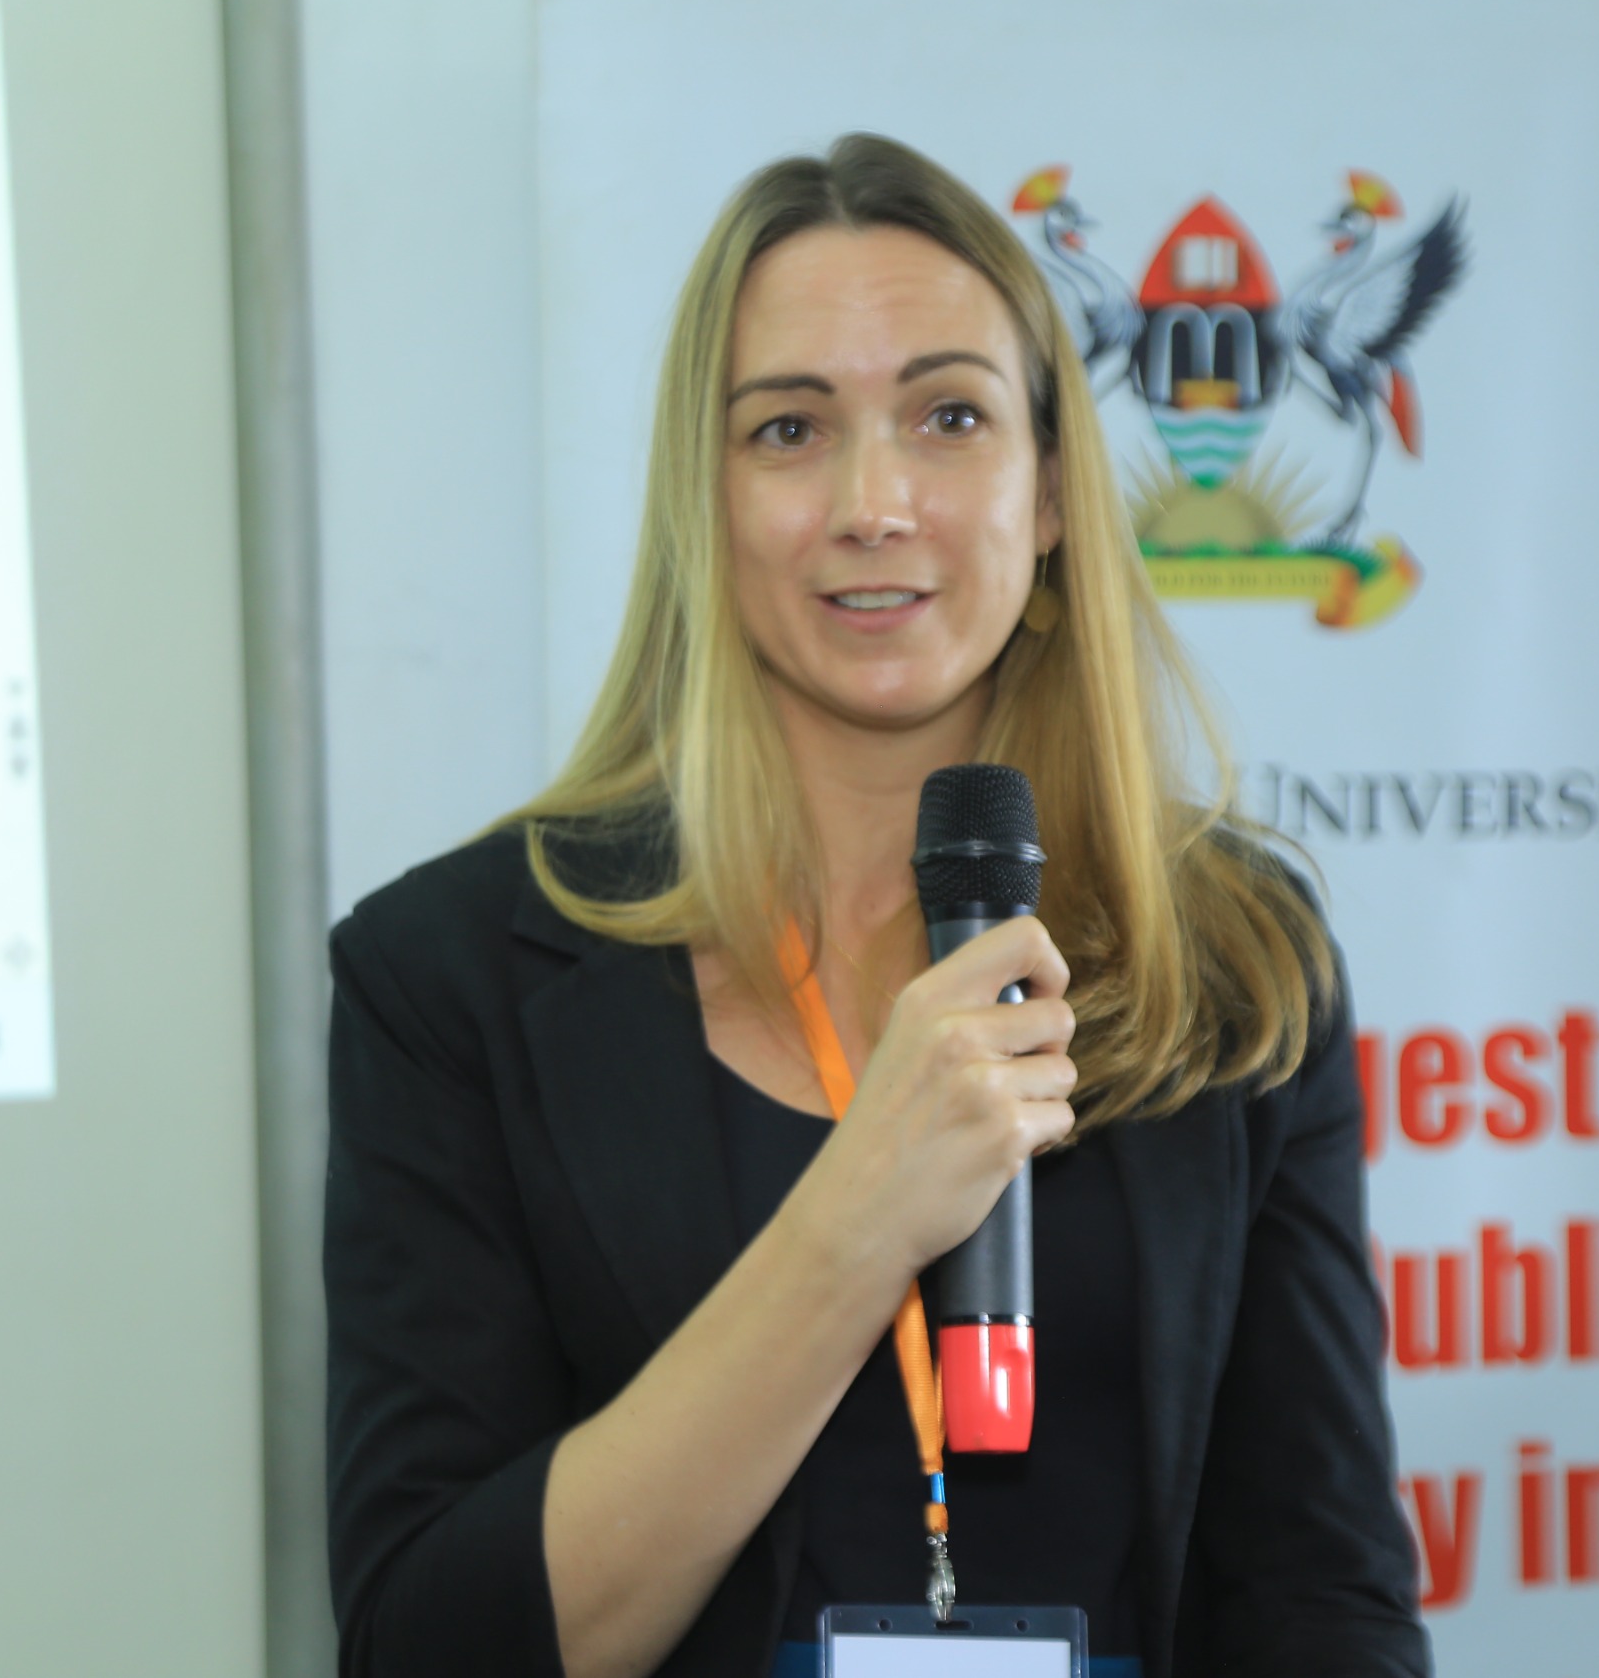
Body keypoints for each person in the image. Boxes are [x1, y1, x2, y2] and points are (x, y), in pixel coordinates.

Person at [324, 133, 1431, 1678]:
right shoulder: (448, 979)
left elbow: (1323, 1594)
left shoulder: (1239, 959)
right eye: (789, 429)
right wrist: (856, 1216)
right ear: (703, 504)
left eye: (950, 416)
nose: (874, 501)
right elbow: (427, 1642)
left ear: (1050, 491)